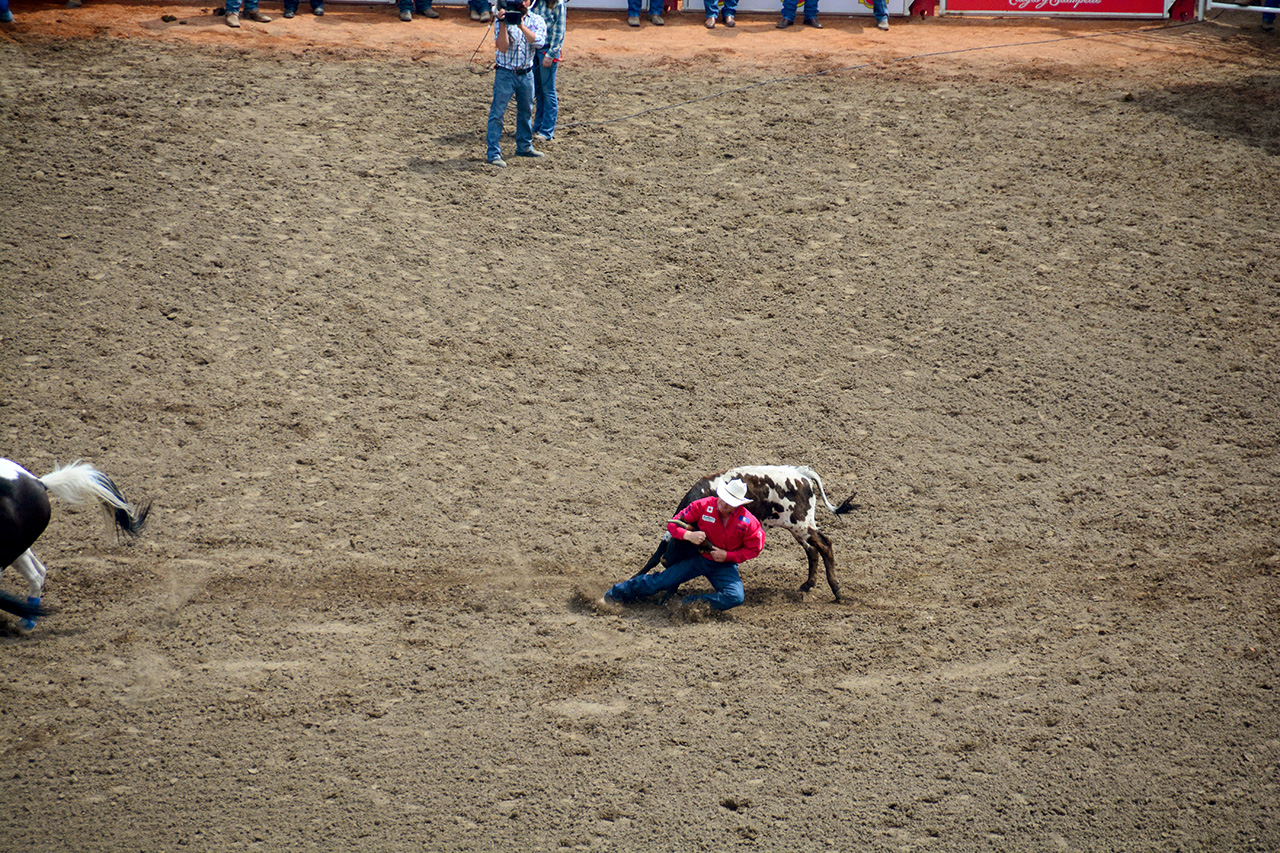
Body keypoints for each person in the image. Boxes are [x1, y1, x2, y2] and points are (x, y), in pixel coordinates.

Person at [603, 479, 765, 611]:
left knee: (735, 597)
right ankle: (614, 594)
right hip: (699, 558)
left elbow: (754, 549)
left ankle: (690, 603)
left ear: (738, 504)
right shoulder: (702, 506)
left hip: (724, 565)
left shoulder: (749, 523)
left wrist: (727, 556)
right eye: (724, 498)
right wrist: (688, 535)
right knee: (659, 582)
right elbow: (674, 525)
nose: (725, 504)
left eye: (731, 502)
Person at [486, 0, 547, 167]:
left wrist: (520, 26)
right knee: (498, 113)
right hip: (506, 72)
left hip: (526, 73)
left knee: (526, 111)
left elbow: (539, 42)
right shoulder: (502, 20)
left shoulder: (536, 20)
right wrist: (503, 24)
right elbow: (502, 47)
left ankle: (524, 145)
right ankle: (493, 152)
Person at [531, 0, 565, 142]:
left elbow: (559, 32)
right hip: (535, 49)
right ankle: (538, 126)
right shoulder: (535, 3)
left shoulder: (558, 4)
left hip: (547, 50)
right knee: (538, 90)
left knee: (548, 90)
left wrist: (551, 54)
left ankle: (547, 130)